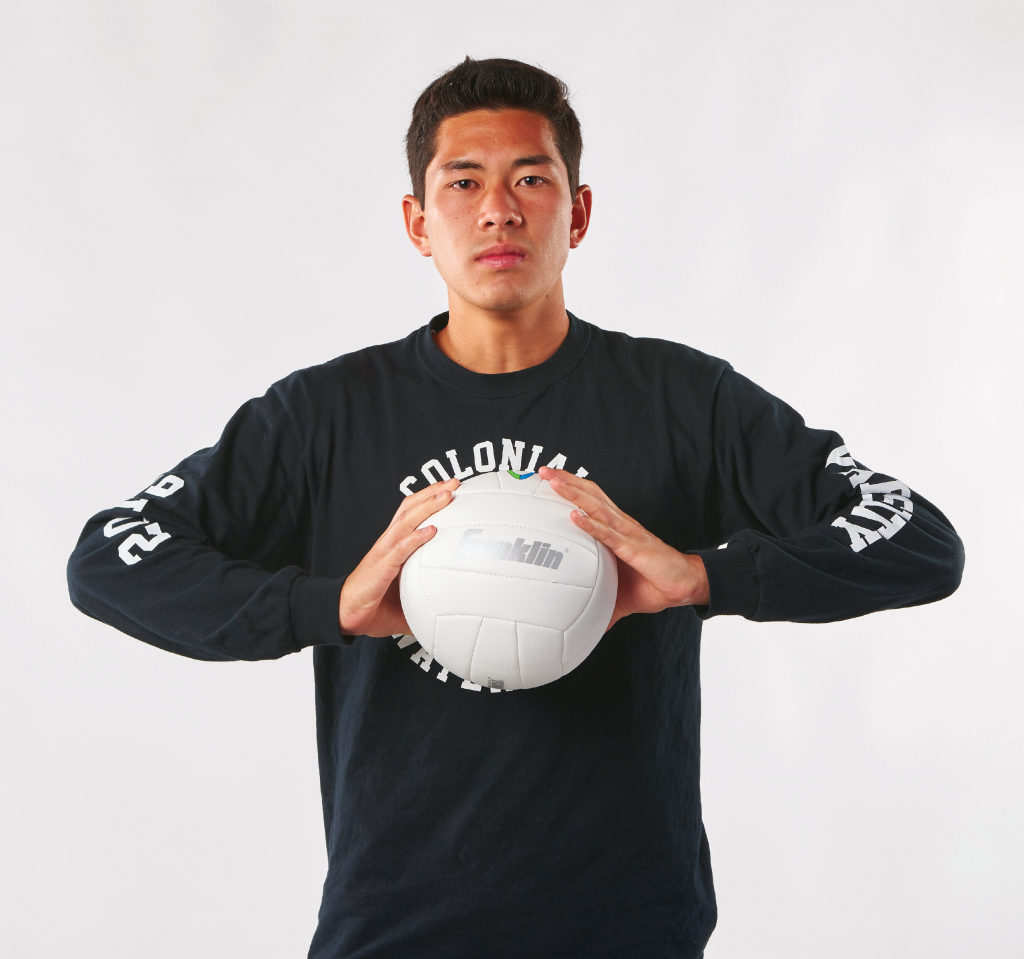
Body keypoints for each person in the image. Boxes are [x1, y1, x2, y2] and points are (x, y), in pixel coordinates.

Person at [67, 57, 964, 959]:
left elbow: (919, 538)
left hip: (631, 934)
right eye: (463, 182)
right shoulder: (324, 417)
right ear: (418, 222)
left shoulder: (683, 401)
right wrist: (326, 605)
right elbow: (112, 557)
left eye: (531, 179)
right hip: (393, 936)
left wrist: (704, 577)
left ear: (578, 213)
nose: (498, 209)